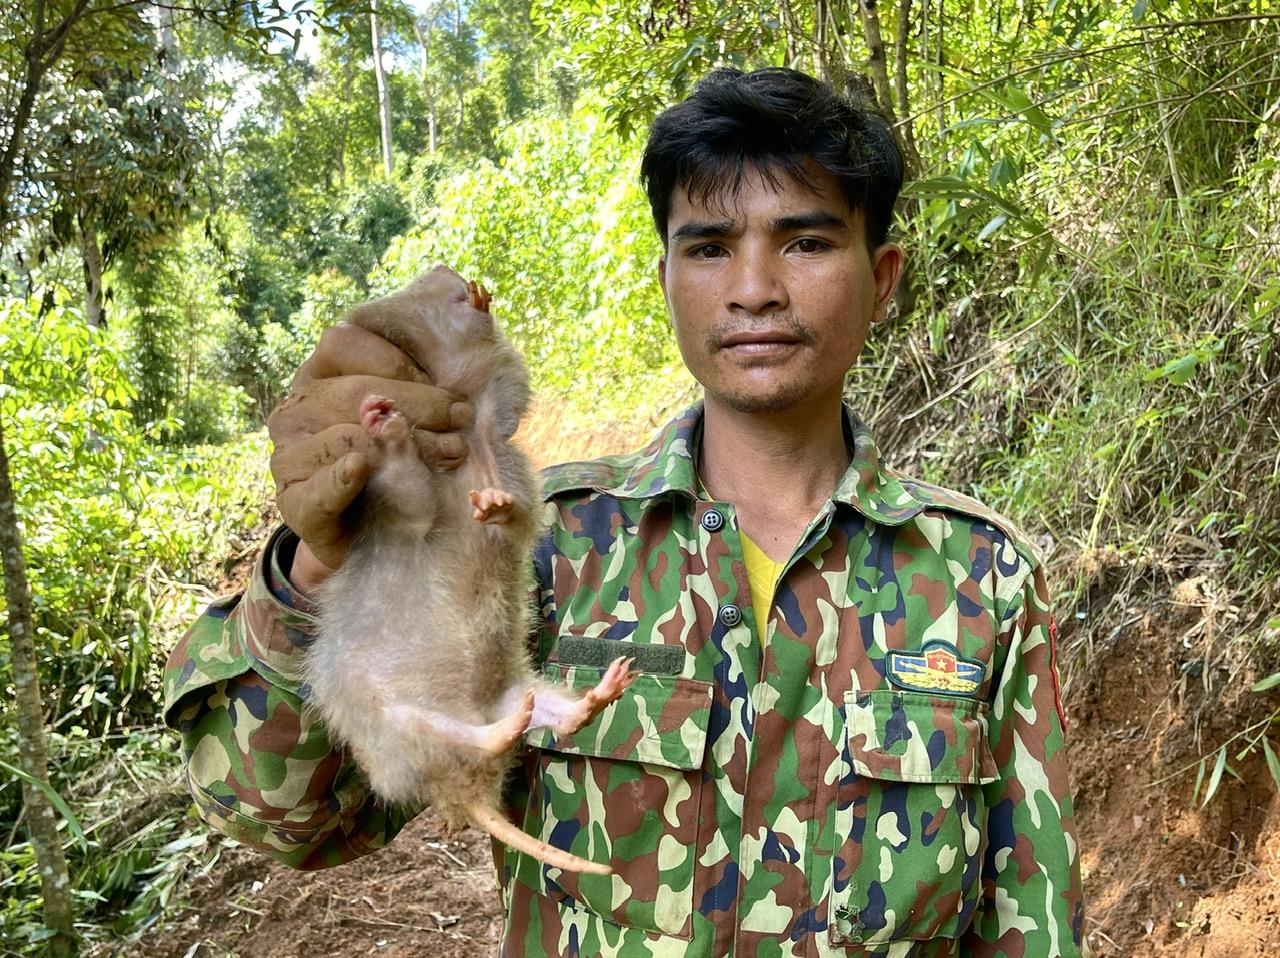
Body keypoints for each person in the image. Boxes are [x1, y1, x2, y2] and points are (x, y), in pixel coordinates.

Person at [165, 67, 1087, 957]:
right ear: (667, 280)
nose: (754, 287)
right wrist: (322, 569)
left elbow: (1031, 919)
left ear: (882, 278)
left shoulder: (978, 577)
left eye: (804, 242)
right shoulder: (542, 541)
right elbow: (288, 819)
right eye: (710, 246)